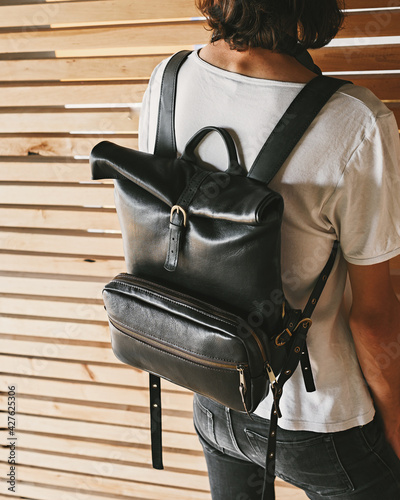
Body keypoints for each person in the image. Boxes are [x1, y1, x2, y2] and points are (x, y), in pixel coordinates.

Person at [138, 0, 400, 497]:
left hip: (217, 394)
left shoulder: (168, 80)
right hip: (319, 422)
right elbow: (372, 318)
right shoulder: (355, 119)